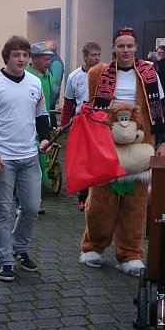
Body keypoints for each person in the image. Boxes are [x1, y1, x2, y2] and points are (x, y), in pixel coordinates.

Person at [78, 27, 165, 275]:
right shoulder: (99, 74)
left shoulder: (149, 73)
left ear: (136, 47)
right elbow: (89, 109)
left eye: (130, 45)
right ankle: (93, 246)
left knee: (135, 204)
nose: (125, 50)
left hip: (140, 144)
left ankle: (130, 254)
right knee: (101, 202)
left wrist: (164, 140)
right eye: (121, 46)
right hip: (107, 144)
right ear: (113, 48)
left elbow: (160, 108)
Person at [0, 35, 51, 282]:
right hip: (2, 160)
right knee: (2, 211)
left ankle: (19, 247)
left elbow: (41, 115)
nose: (21, 59)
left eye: (25, 55)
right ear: (6, 57)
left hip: (29, 156)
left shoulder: (34, 82)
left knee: (31, 208)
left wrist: (45, 138)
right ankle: (5, 258)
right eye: (16, 55)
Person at [60, 41, 101, 210]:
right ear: (85, 57)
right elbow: (68, 103)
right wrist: (64, 125)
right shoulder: (74, 76)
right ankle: (83, 197)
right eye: (93, 55)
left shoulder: (106, 74)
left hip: (100, 123)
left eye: (98, 54)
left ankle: (98, 196)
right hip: (81, 123)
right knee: (84, 161)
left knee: (98, 160)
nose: (97, 58)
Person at [26, 42, 57, 188]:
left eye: (50, 58)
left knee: (43, 157)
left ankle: (38, 188)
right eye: (45, 59)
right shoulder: (26, 76)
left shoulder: (48, 76)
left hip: (44, 123)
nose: (49, 62)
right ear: (35, 59)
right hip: (29, 126)